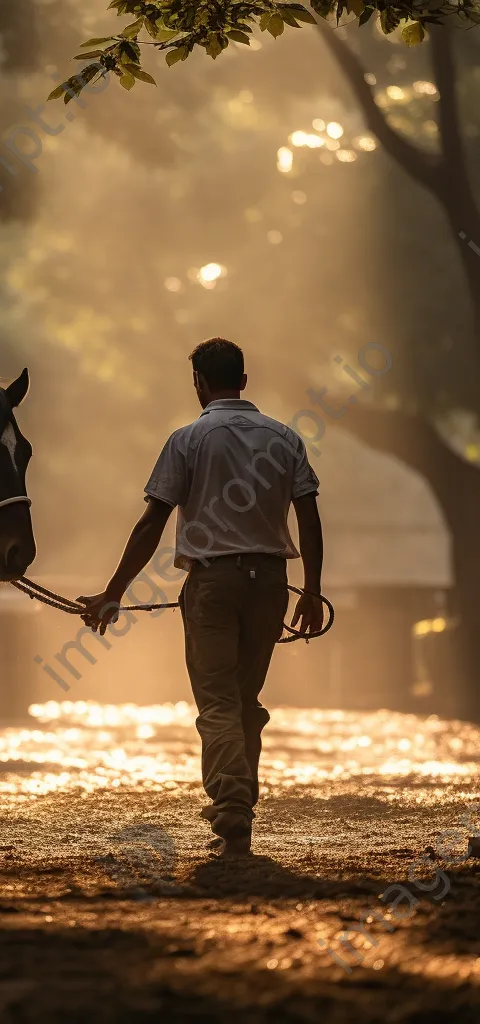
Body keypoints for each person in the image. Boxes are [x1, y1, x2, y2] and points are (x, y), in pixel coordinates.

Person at [78, 338, 324, 856]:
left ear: (199, 383)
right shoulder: (284, 438)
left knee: (217, 702)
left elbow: (152, 522)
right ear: (244, 379)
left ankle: (231, 804)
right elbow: (309, 516)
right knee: (244, 700)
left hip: (213, 585)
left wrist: (113, 593)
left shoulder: (188, 439)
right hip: (272, 583)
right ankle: (240, 808)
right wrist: (314, 589)